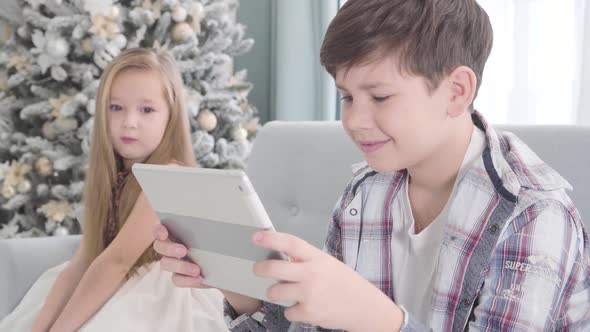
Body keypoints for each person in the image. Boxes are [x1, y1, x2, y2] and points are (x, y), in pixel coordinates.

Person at [153, 0, 590, 330]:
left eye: (380, 97)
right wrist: (241, 287)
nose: (354, 121)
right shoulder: (367, 192)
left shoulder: (534, 213)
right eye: (346, 96)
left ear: (456, 91)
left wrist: (383, 320)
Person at [0, 48, 228, 332]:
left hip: (161, 297)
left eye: (147, 110)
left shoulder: (170, 174)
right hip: (112, 277)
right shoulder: (111, 173)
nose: (129, 122)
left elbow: (118, 261)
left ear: (170, 115)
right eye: (116, 107)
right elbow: (83, 261)